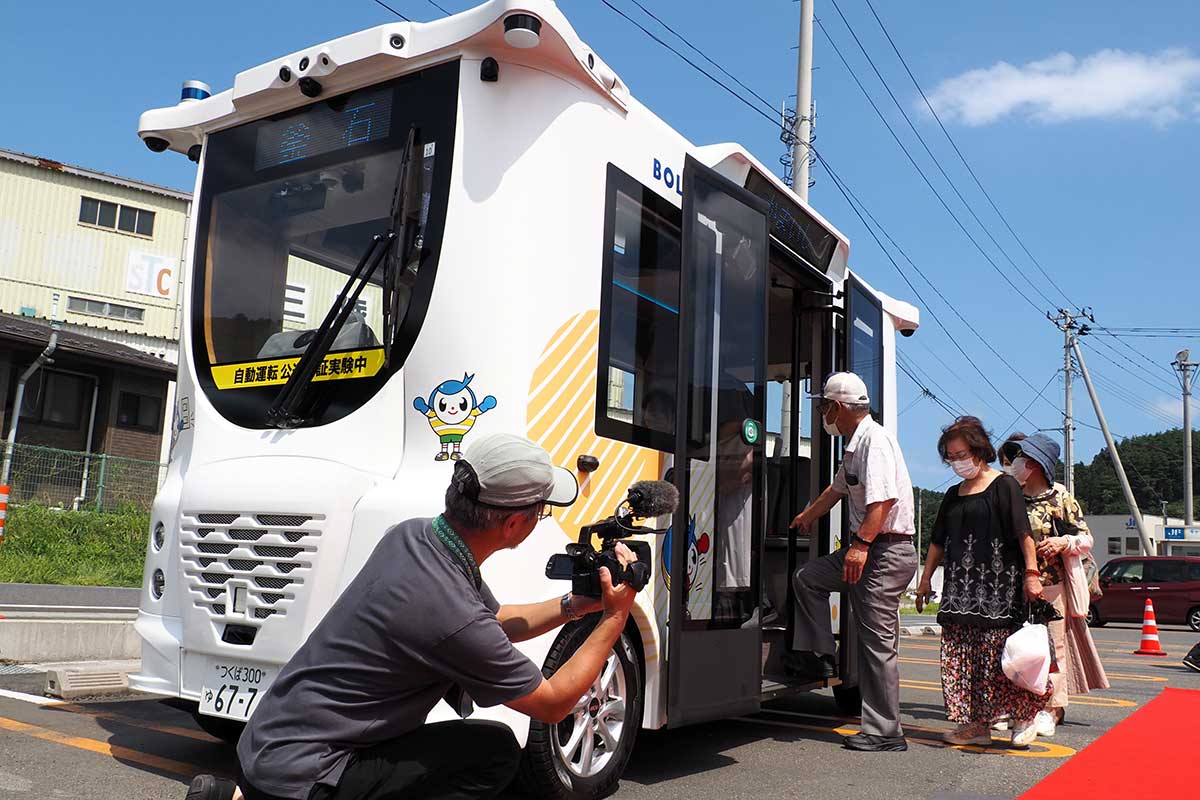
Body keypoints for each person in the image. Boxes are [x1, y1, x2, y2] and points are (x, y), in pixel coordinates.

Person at [185, 433, 641, 800]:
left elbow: (495, 619)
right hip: (309, 775)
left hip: (267, 745)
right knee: (494, 751)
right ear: (513, 525)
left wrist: (574, 607)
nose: (540, 518)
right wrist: (614, 620)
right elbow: (554, 701)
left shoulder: (416, 538)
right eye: (540, 511)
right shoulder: (451, 613)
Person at [787, 372, 919, 752]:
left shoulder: (874, 443)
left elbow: (882, 502)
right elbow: (837, 489)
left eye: (825, 406)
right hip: (868, 548)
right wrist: (807, 515)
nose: (824, 414)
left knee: (877, 645)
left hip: (883, 551)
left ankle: (885, 732)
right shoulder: (855, 445)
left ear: (839, 407)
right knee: (807, 578)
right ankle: (822, 657)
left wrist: (860, 546)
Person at [913, 417, 1047, 749]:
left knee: (1003, 659)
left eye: (960, 454)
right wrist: (925, 579)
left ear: (978, 450)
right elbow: (937, 541)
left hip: (999, 592)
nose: (956, 461)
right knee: (963, 658)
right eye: (951, 456)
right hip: (960, 593)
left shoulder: (1004, 486)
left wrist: (1032, 574)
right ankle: (976, 726)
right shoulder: (952, 494)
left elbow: (1023, 533)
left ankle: (1024, 718)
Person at [999, 433, 1109, 738]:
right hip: (1016, 584)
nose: (1014, 464)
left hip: (1053, 583)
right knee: (1018, 648)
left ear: (1034, 464)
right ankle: (1019, 706)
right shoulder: (1012, 496)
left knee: (1054, 648)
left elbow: (1086, 538)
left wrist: (1064, 541)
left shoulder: (1060, 496)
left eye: (1019, 458)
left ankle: (1051, 708)